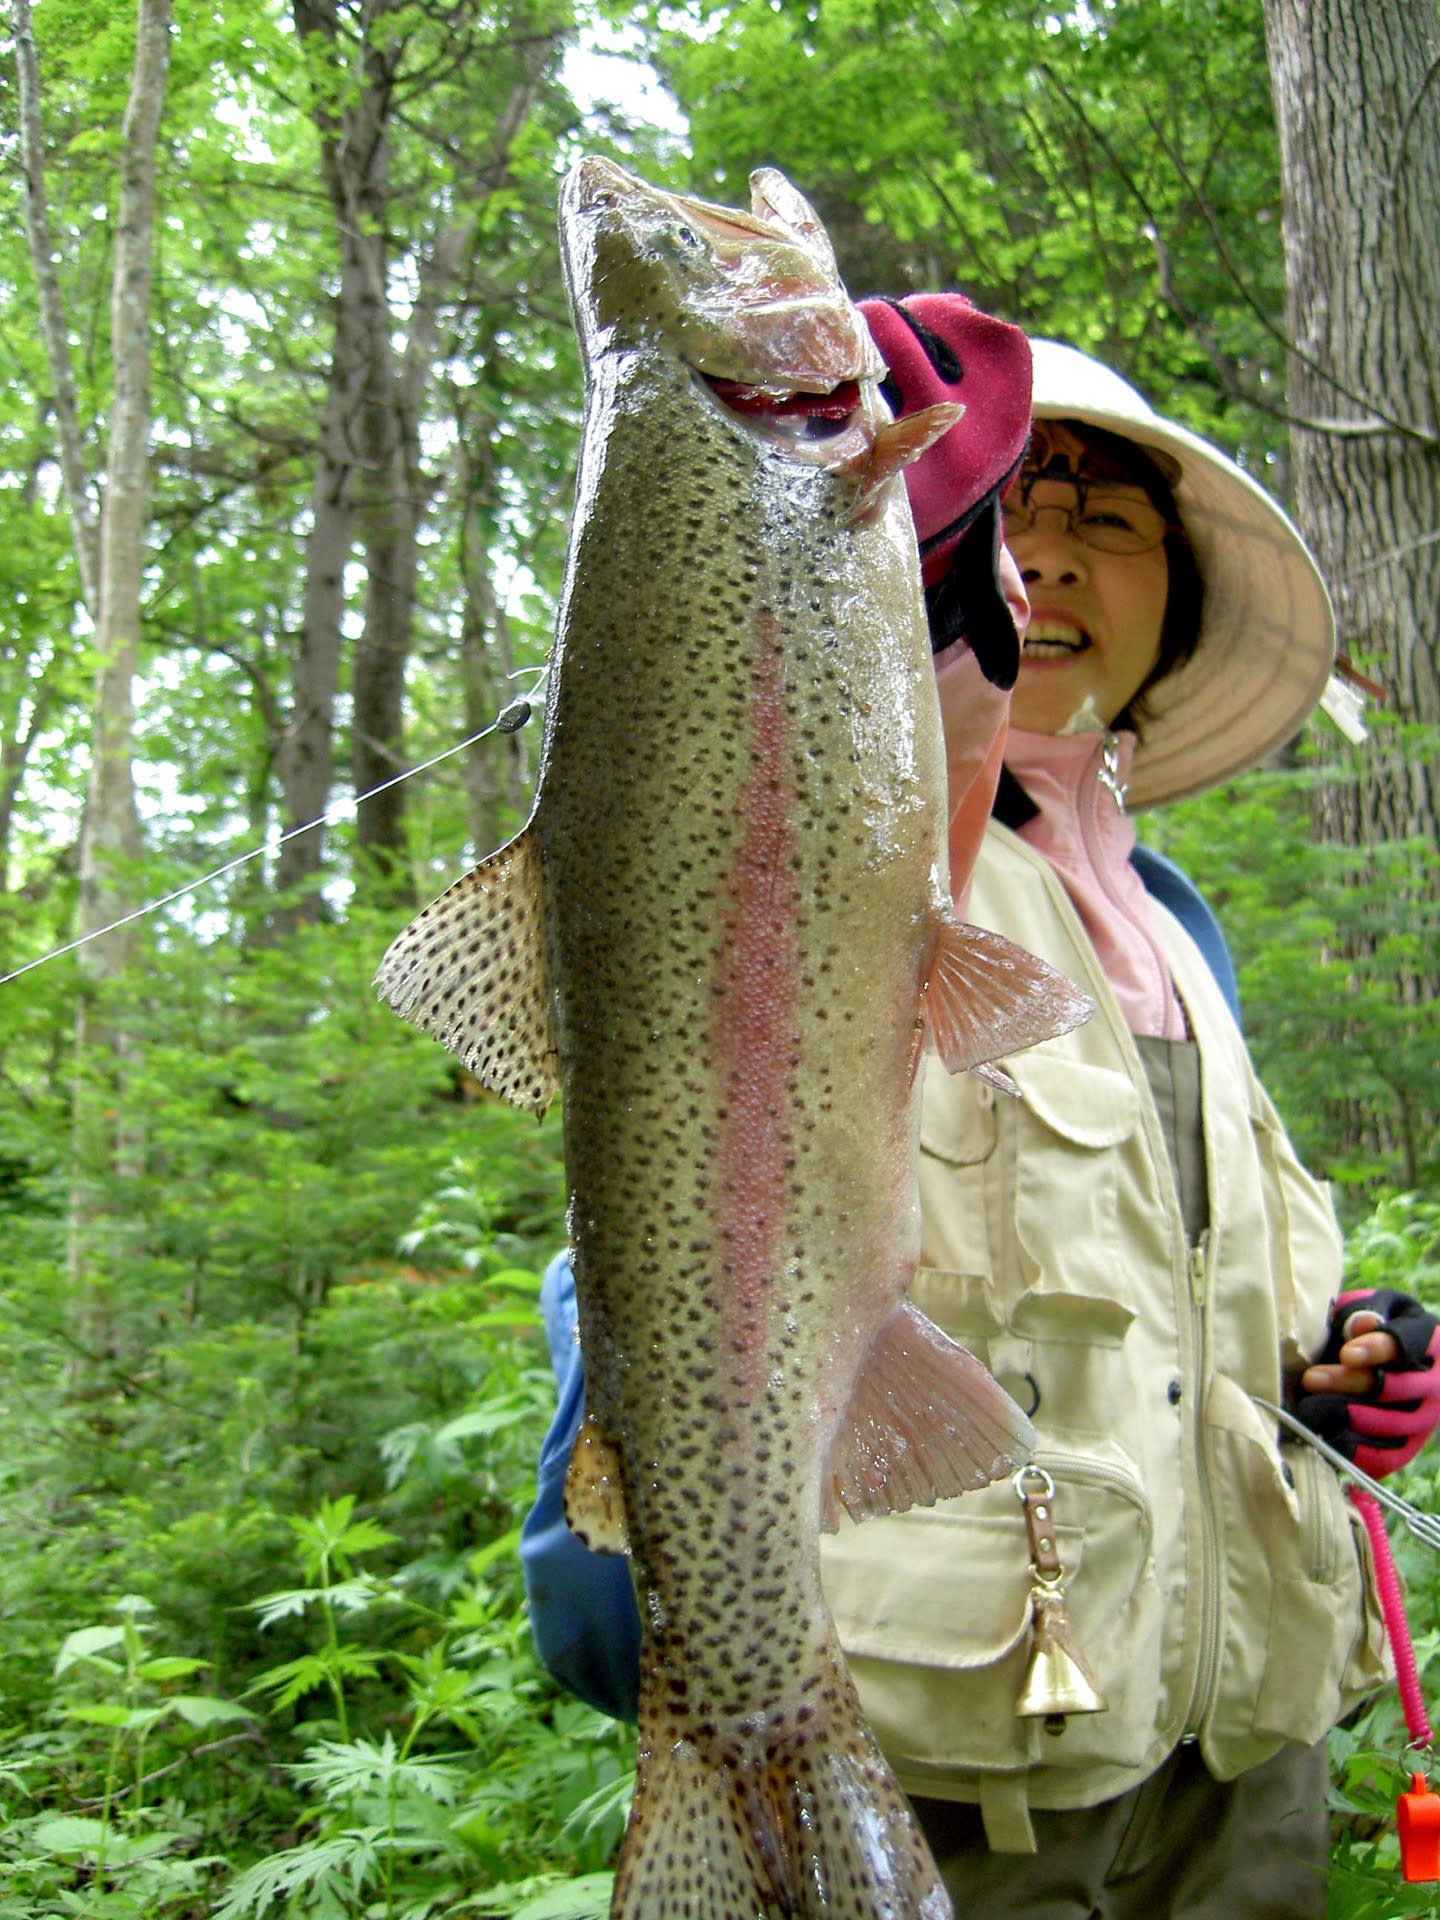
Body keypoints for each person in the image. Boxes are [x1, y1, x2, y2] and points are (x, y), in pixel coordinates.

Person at [519, 297, 1440, 1918]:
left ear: (1184, 593)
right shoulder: (842, 864)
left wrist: (1319, 1384)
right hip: (952, 1797)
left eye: (1110, 518)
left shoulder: (1175, 926)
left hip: (1241, 1781)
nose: (1056, 557)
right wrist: (842, 569)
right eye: (1010, 508)